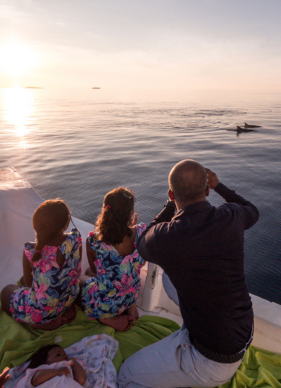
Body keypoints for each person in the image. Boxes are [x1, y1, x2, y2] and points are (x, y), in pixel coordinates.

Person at [118, 160, 259, 388]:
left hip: (212, 360)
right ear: (206, 190)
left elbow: (143, 240)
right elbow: (253, 211)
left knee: (125, 376)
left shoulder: (166, 236)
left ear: (171, 195)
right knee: (167, 279)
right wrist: (219, 186)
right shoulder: (231, 215)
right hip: (243, 332)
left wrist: (169, 205)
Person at [1, 199, 82, 330]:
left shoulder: (30, 251)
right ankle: (65, 309)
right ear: (66, 224)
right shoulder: (75, 240)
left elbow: (29, 285)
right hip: (69, 298)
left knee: (6, 291)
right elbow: (76, 272)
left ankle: (41, 323)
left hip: (44, 311)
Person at [80, 187, 145, 331]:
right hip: (130, 294)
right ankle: (130, 305)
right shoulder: (141, 233)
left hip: (108, 305)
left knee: (81, 277)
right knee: (118, 276)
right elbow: (143, 261)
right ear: (130, 213)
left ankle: (106, 318)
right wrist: (132, 227)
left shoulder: (93, 240)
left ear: (105, 211)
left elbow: (95, 270)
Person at [16, 345, 86, 387]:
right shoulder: (43, 368)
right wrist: (57, 371)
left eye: (65, 354)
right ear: (44, 361)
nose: (65, 356)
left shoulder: (67, 369)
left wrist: (74, 363)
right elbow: (37, 379)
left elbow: (81, 379)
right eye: (58, 355)